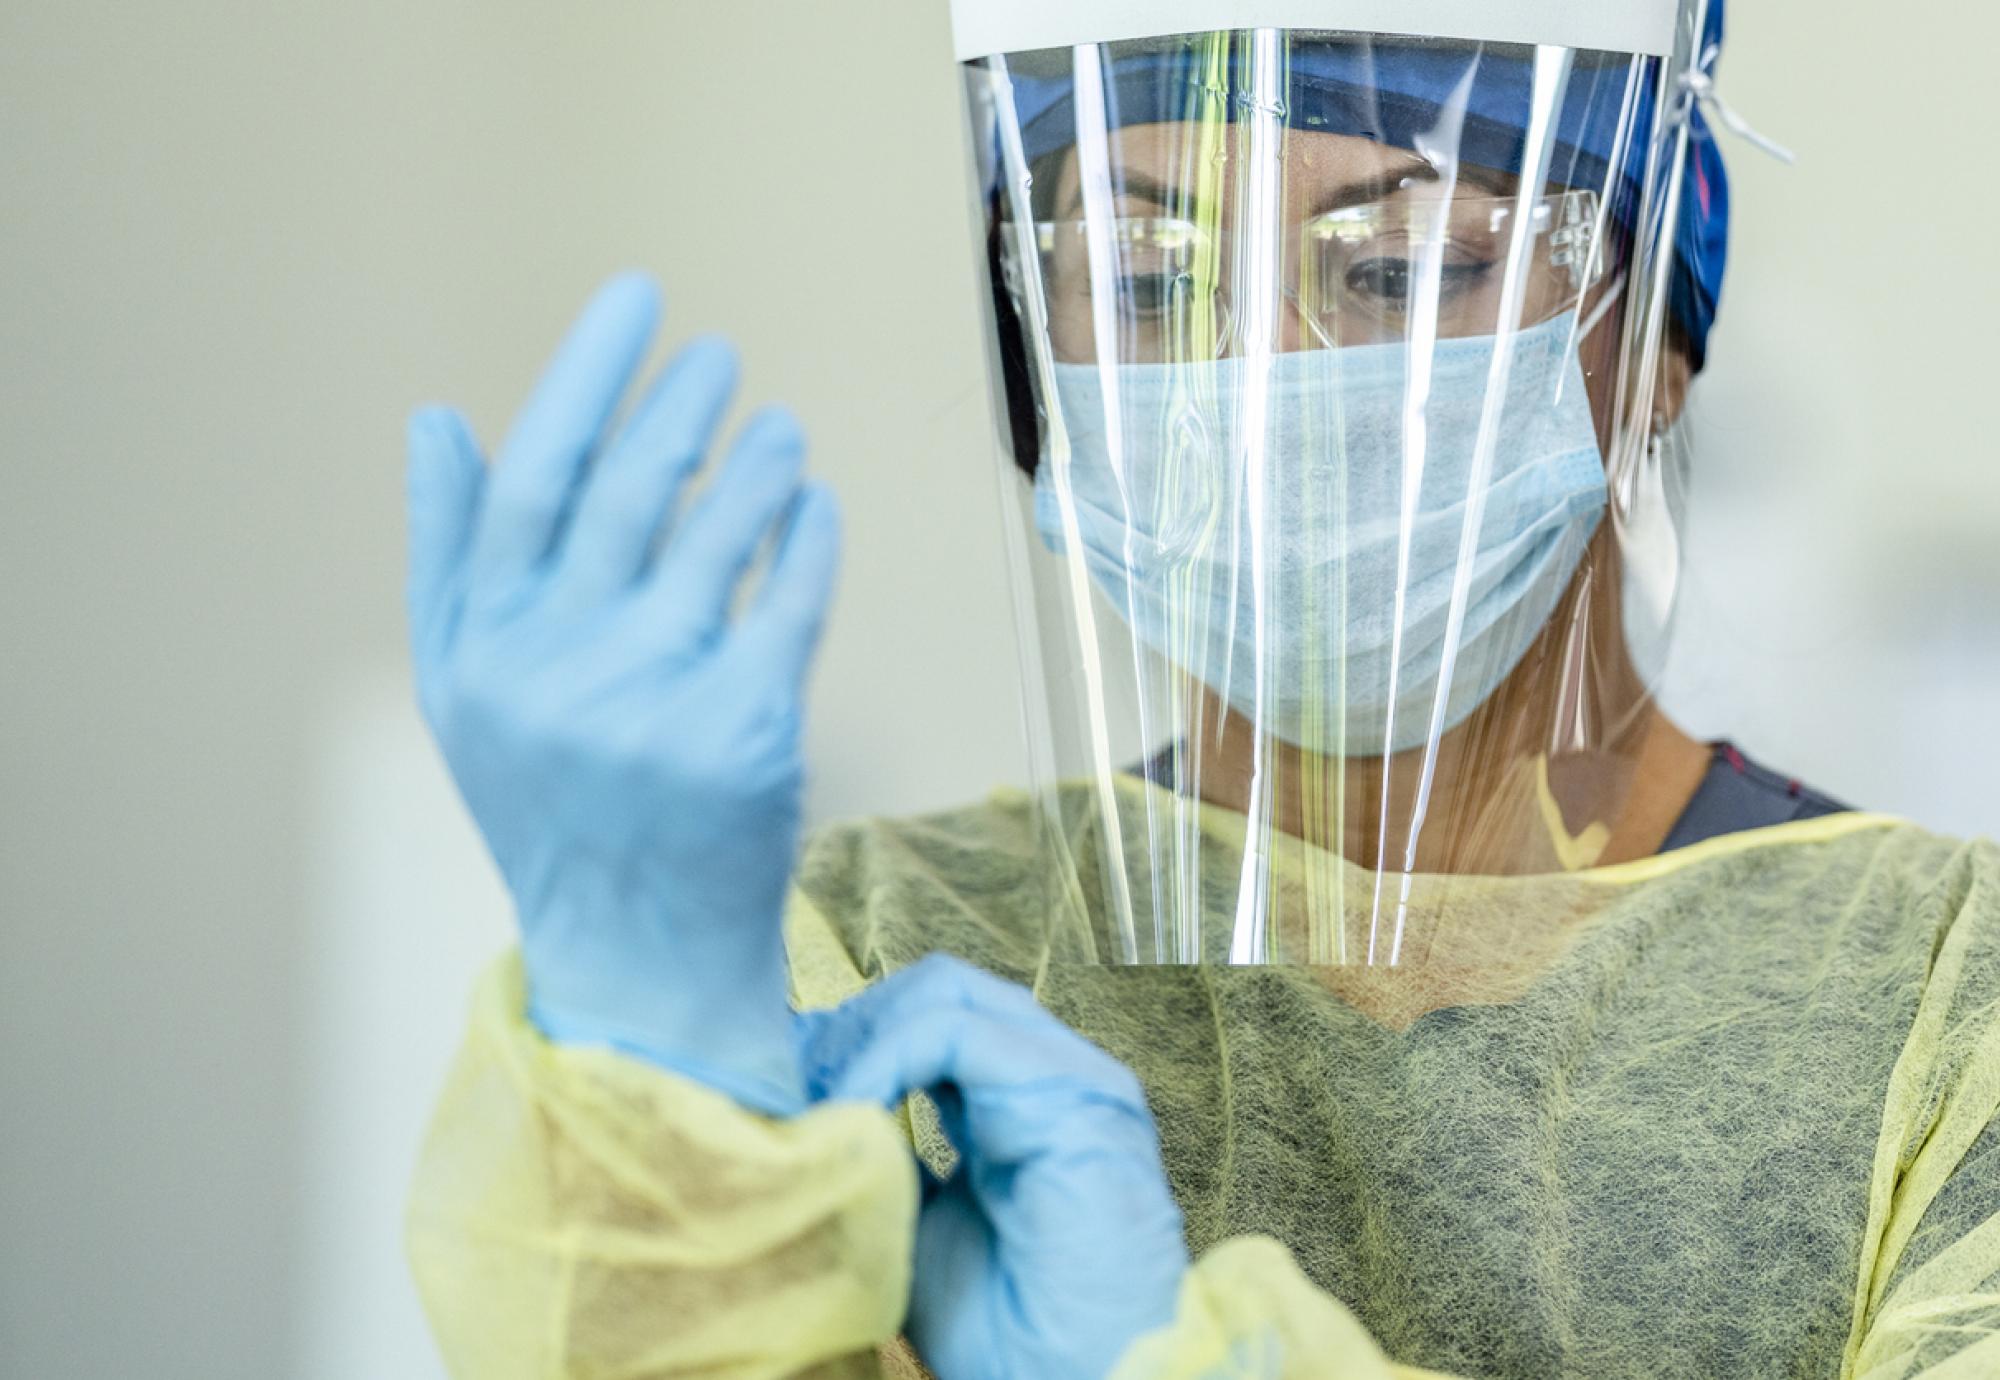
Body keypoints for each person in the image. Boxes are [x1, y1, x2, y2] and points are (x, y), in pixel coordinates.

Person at [403, 4, 2000, 1377]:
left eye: (1399, 265)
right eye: (1153, 284)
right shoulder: (867, 959)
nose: (1265, 387)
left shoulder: (1947, 1018)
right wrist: (652, 1081)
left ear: (1655, 335)